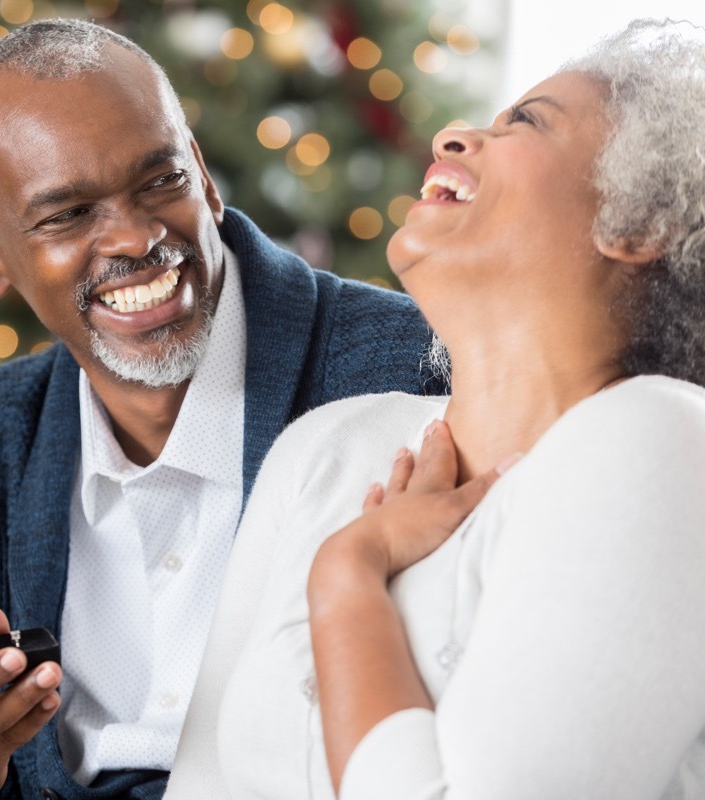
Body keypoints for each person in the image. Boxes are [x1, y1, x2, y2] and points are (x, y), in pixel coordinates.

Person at [0, 18, 439, 800]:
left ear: (202, 171)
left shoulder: (411, 368)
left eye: (160, 180)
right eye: (67, 214)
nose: (134, 236)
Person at [165, 17, 705, 800]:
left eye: (525, 122)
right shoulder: (327, 447)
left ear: (638, 222)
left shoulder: (663, 440)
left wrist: (347, 577)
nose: (453, 136)